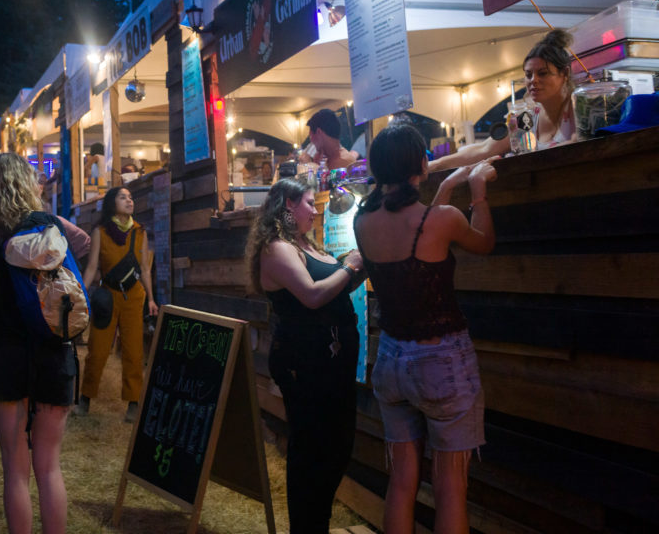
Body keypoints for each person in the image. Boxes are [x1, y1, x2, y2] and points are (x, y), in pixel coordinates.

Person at [353, 123, 497, 534]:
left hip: (392, 361)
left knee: (401, 482)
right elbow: (483, 241)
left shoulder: (363, 224)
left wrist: (449, 188)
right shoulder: (444, 220)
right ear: (420, 163)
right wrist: (479, 191)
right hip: (443, 363)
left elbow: (416, 230)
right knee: (450, 487)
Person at [0, 152, 90, 534]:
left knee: (15, 470)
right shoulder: (46, 226)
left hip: (8, 356)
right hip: (55, 351)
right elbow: (81, 242)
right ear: (27, 184)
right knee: (49, 467)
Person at [243, 176, 365, 533]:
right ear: (288, 207)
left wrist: (355, 268)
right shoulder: (276, 248)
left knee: (338, 446)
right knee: (313, 450)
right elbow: (312, 295)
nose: (316, 208)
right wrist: (349, 266)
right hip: (305, 363)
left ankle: (317, 525)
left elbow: (337, 287)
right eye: (310, 202)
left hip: (333, 361)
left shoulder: (306, 244)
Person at [429, 29, 577, 172]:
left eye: (542, 73)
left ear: (564, 73)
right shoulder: (527, 118)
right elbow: (483, 149)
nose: (534, 80)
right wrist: (435, 165)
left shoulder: (579, 110)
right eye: (528, 74)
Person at [74, 186, 159, 422]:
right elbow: (92, 267)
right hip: (107, 296)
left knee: (133, 350)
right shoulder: (101, 231)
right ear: (112, 203)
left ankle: (134, 402)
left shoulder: (139, 231)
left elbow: (144, 268)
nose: (129, 201)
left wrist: (151, 299)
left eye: (131, 197)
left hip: (134, 296)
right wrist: (80, 293)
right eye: (123, 197)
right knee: (97, 350)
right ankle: (85, 397)